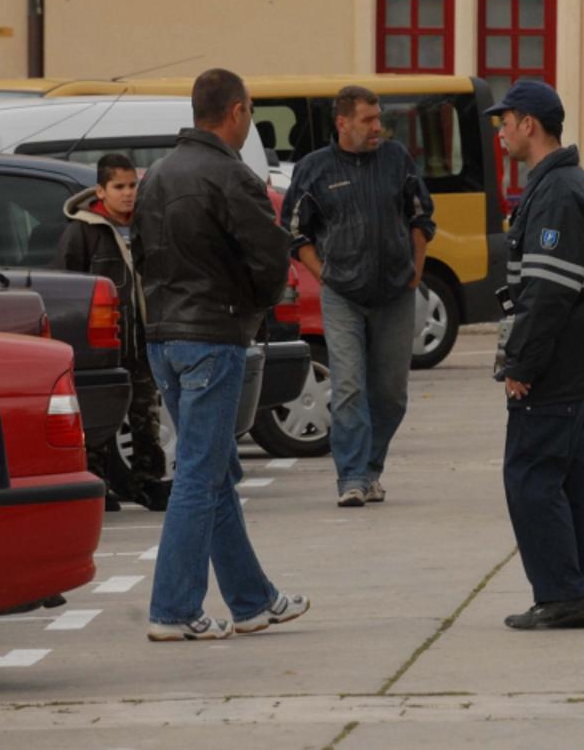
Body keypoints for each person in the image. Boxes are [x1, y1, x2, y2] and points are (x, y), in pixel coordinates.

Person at [134, 68, 309, 641]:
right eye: (250, 109)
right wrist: (254, 309)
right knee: (199, 475)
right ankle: (174, 610)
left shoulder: (157, 174)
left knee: (216, 472)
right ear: (235, 111)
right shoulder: (232, 176)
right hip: (213, 337)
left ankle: (253, 601)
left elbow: (142, 255)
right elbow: (271, 259)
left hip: (165, 337)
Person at [488, 79, 584, 631]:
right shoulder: (562, 183)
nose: (501, 134)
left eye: (505, 123)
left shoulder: (558, 193)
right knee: (566, 475)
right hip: (576, 358)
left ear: (530, 126)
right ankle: (574, 589)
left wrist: (523, 365)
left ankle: (562, 595)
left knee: (531, 476)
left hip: (558, 361)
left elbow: (547, 295)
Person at [281, 85, 435, 508]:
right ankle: (351, 477)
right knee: (348, 387)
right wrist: (326, 275)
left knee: (390, 394)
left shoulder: (395, 159)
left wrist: (416, 269)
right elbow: (296, 233)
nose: (377, 127)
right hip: (343, 297)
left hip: (394, 294)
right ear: (343, 122)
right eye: (368, 120)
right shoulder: (315, 169)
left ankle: (371, 468)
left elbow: (421, 215)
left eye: (378, 118)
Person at [54, 153, 168, 512]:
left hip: (144, 341)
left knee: (146, 416)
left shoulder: (146, 226)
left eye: (133, 185)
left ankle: (148, 482)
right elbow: (69, 285)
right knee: (101, 418)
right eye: (119, 187)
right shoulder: (84, 231)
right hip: (105, 345)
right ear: (100, 191)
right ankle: (97, 485)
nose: (128, 194)